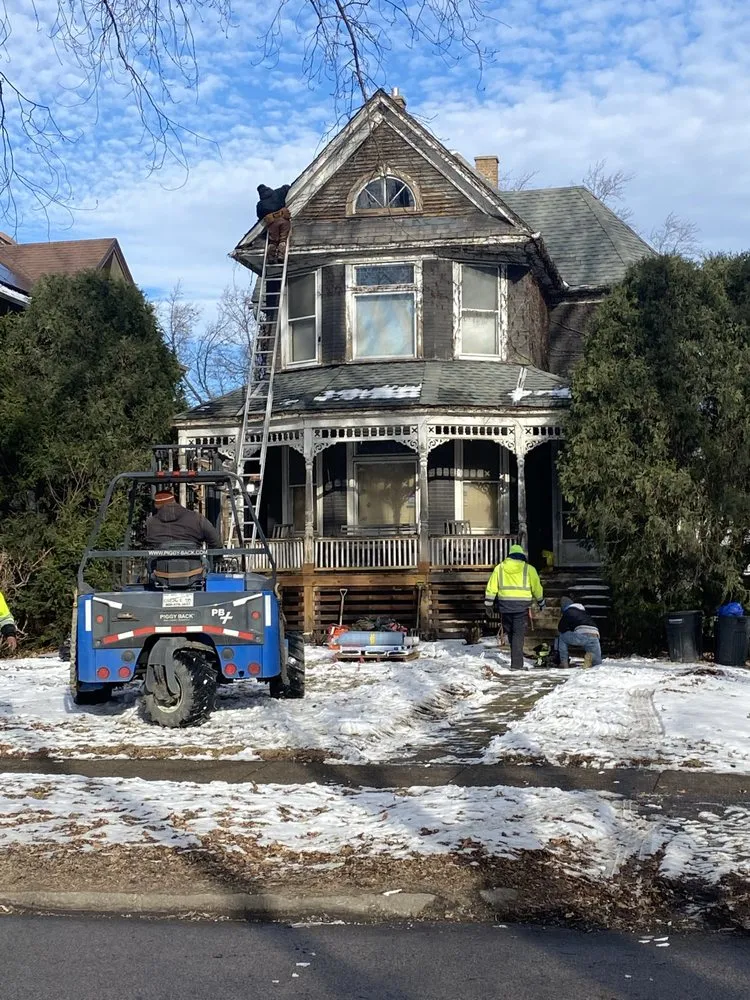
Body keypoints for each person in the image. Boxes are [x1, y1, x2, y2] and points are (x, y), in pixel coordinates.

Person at [485, 544, 544, 670]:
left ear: (509, 555)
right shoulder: (529, 569)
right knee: (518, 634)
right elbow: (537, 588)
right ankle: (517, 665)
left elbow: (492, 586)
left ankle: (515, 659)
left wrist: (488, 604)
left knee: (511, 633)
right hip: (521, 606)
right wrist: (541, 602)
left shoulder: (499, 568)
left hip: (505, 606)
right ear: (522, 555)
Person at [145, 492, 223, 549]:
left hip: (160, 566)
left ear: (156, 506)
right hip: (193, 565)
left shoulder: (150, 523)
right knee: (207, 563)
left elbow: (148, 543)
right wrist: (216, 557)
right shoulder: (197, 518)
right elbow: (215, 541)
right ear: (174, 501)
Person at [557, 595, 602, 669]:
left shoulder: (568, 611)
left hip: (582, 635)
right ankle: (590, 660)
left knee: (562, 637)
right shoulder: (584, 612)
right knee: (597, 664)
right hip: (595, 634)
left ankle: (564, 664)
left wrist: (569, 629)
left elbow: (561, 628)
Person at [256, 183, 291, 263]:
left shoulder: (260, 204)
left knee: (273, 241)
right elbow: (286, 187)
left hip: (272, 223)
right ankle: (281, 255)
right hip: (283, 220)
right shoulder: (278, 192)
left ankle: (271, 257)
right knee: (283, 239)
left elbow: (260, 216)